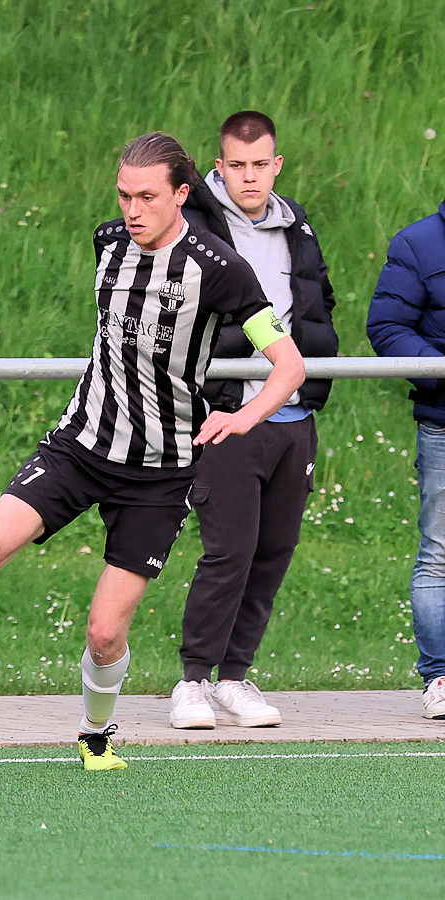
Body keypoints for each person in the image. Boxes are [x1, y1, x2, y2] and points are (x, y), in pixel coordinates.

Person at [0, 132, 305, 770]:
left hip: (160, 473)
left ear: (182, 194)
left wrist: (244, 415)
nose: (132, 210)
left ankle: (95, 734)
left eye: (147, 197)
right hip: (80, 446)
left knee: (104, 634)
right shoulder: (108, 242)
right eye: (123, 195)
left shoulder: (220, 268)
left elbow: (289, 364)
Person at [168, 112, 338, 729]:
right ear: (218, 166)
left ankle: (234, 678)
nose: (249, 177)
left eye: (260, 165)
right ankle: (192, 682)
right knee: (229, 551)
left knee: (274, 551)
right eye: (236, 165)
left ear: (277, 165)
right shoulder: (193, 226)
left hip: (293, 417)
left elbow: (317, 303)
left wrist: (313, 366)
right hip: (225, 415)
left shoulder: (298, 225)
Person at [368, 198, 445, 719]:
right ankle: (440, 677)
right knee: (439, 554)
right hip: (443, 422)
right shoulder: (418, 243)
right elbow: (388, 328)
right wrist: (441, 370)